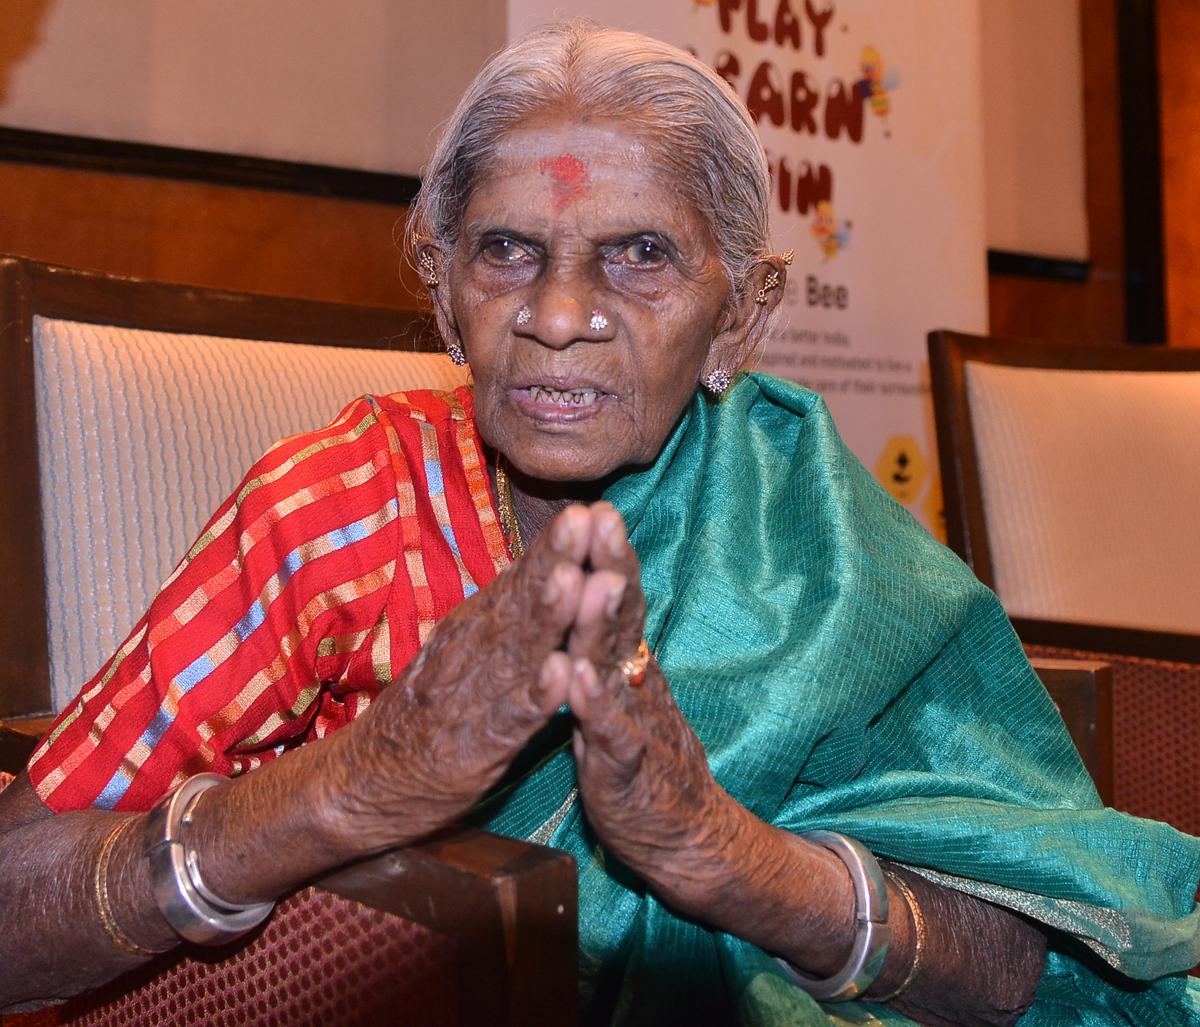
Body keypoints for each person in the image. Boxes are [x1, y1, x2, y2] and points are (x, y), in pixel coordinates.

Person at [1, 21, 1198, 1026]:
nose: (559, 314)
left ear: (741, 318)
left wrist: (722, 856)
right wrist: (352, 786)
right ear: (441, 286)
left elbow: (1015, 968)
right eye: (508, 249)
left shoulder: (815, 537)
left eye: (638, 257)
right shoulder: (339, 512)